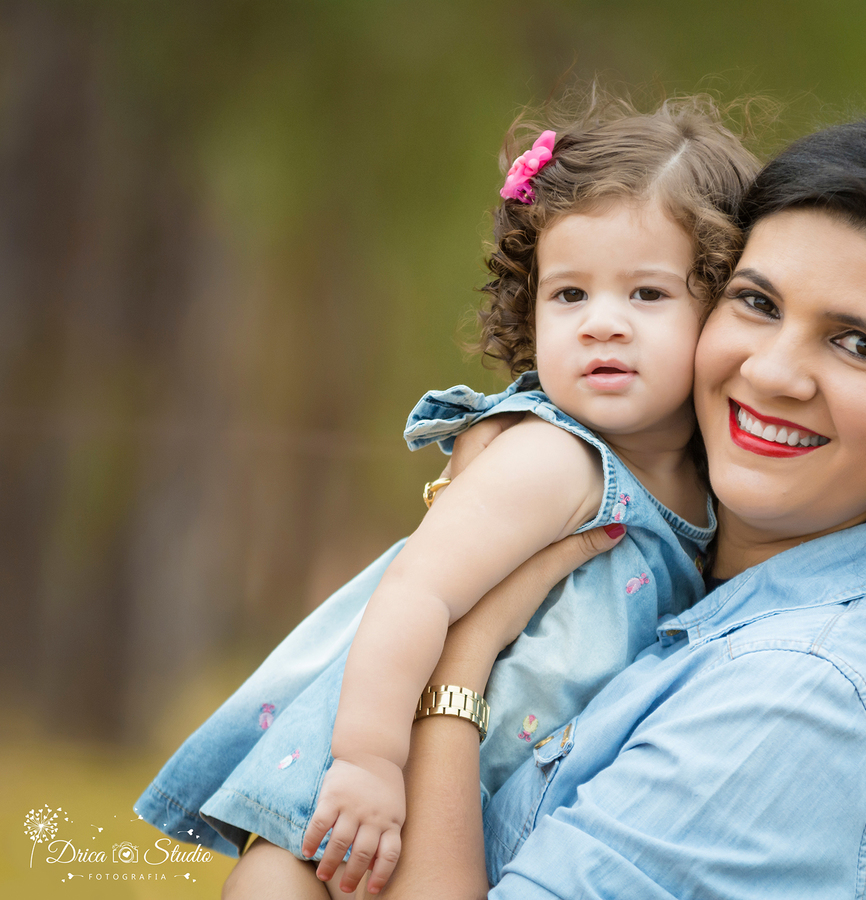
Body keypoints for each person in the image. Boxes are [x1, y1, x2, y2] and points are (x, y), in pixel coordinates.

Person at [294, 118, 866, 898]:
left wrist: (461, 660)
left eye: (858, 344)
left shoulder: (808, 701)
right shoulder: (663, 560)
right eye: (757, 302)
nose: (769, 373)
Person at [136, 93, 759, 896]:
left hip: (468, 809)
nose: (603, 323)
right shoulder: (557, 461)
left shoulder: (702, 489)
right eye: (570, 295)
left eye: (647, 295)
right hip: (368, 797)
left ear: (721, 307)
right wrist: (366, 763)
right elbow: (418, 591)